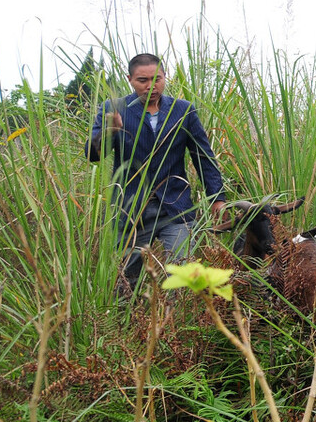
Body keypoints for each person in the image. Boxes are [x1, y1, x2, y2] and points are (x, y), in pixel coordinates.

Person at [86, 53, 226, 287]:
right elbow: (93, 156)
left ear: (164, 76)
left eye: (157, 79)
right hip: (131, 210)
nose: (151, 86)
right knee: (127, 281)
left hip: (175, 206)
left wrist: (218, 198)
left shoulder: (183, 110)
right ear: (130, 78)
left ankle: (176, 321)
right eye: (142, 80)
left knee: (183, 278)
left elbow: (203, 157)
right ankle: (128, 322)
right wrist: (109, 131)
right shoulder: (113, 109)